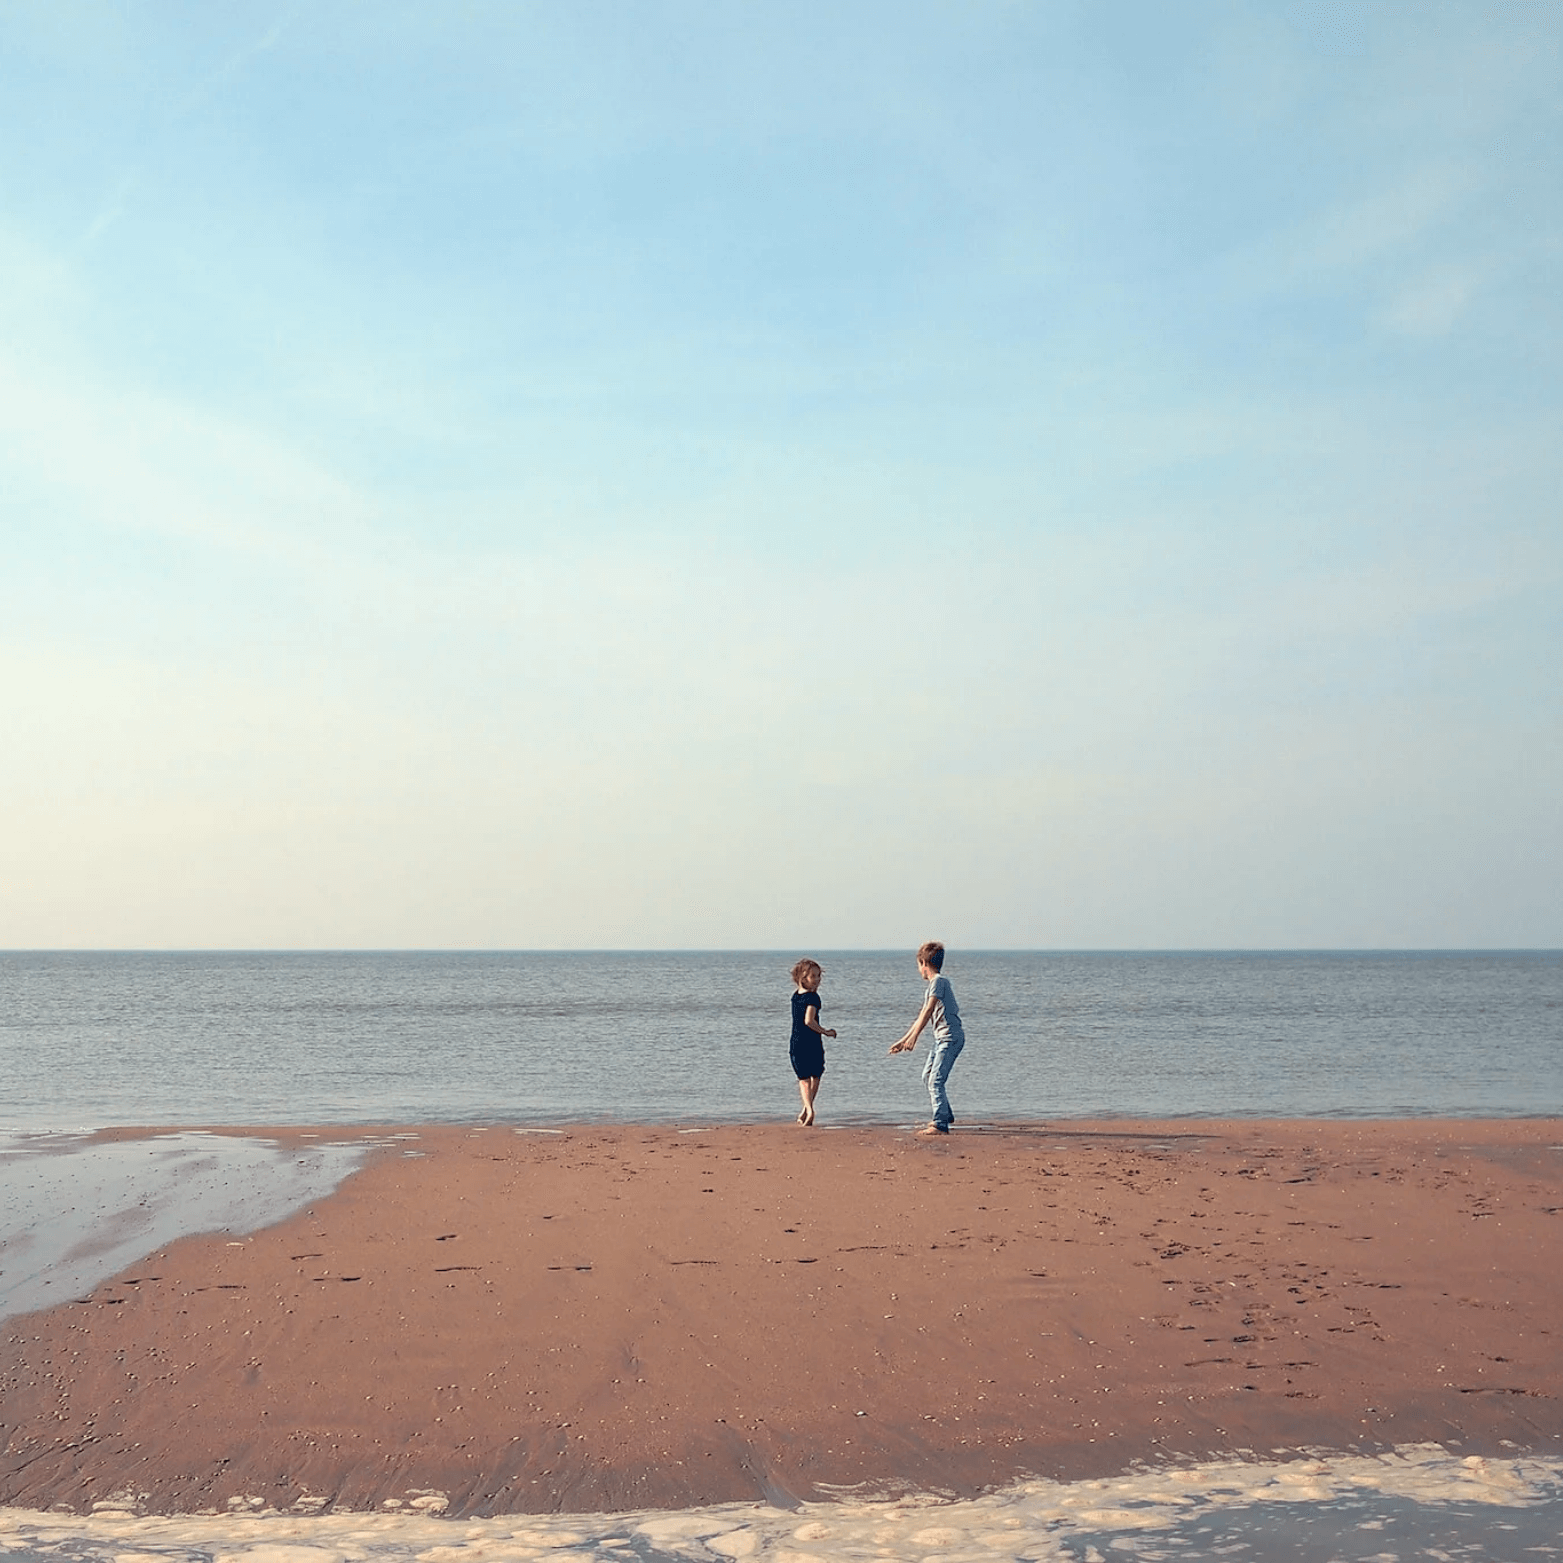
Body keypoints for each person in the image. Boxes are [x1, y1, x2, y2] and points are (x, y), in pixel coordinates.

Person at [888, 941, 964, 1136]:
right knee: (927, 1076)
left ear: (923, 963)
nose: (919, 970)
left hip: (950, 1038)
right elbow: (923, 1014)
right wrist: (904, 1039)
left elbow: (929, 1010)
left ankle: (940, 1123)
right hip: (941, 1039)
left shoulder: (939, 981)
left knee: (935, 1081)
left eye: (918, 965)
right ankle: (946, 1113)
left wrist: (915, 1038)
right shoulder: (933, 985)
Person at [789, 958, 836, 1126]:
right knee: (814, 1076)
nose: (817, 980)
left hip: (796, 1042)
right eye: (813, 976)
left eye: (818, 976)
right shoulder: (813, 998)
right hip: (811, 1042)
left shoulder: (795, 997)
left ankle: (806, 1109)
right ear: (802, 977)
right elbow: (809, 1020)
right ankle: (809, 1109)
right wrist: (825, 1031)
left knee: (805, 1078)